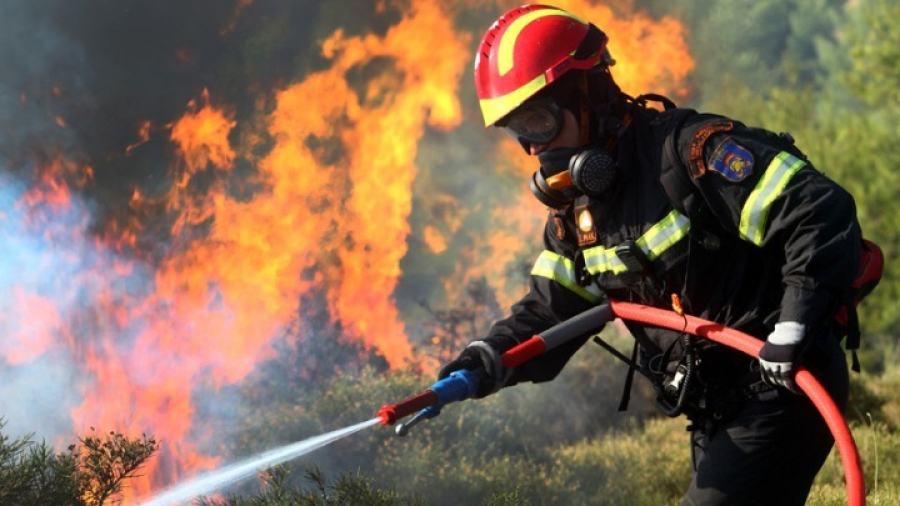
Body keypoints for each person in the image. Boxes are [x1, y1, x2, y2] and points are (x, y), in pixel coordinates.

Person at [439, 5, 865, 505]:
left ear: (589, 94)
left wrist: (792, 328)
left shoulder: (691, 154)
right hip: (714, 407)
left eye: (539, 121)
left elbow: (817, 209)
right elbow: (553, 310)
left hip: (782, 383)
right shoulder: (578, 217)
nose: (533, 150)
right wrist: (486, 361)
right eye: (520, 132)